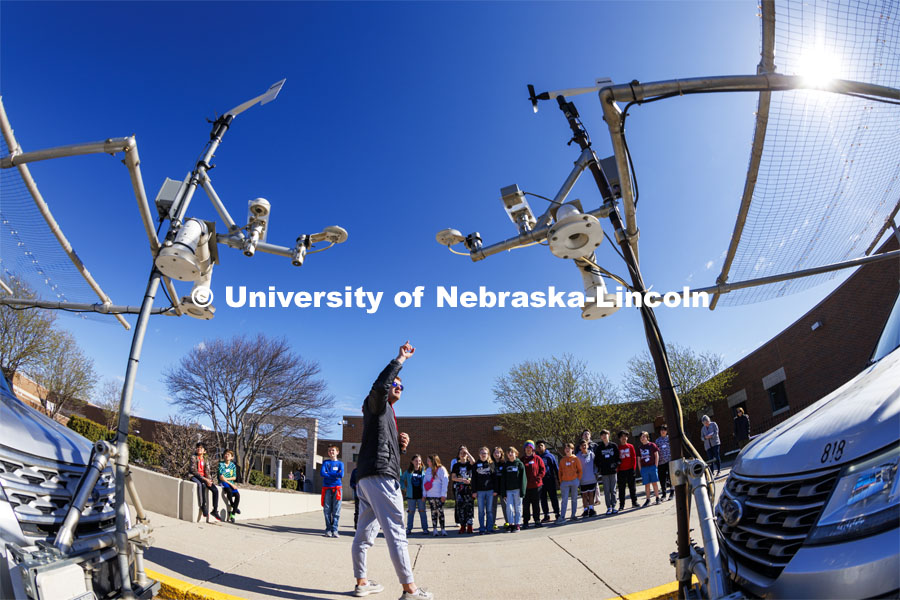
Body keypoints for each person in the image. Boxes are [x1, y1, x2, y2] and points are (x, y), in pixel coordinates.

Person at [351, 342, 432, 599]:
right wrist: (400, 359)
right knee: (397, 530)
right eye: (396, 384)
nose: (399, 387)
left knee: (364, 533)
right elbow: (380, 386)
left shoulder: (385, 414)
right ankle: (410, 590)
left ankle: (362, 582)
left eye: (402, 386)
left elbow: (382, 448)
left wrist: (400, 447)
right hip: (380, 478)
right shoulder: (376, 403)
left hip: (367, 478)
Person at [189, 442, 220, 524]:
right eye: (198, 447)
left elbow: (208, 471)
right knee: (201, 485)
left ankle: (215, 510)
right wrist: (205, 479)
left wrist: (209, 480)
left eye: (201, 448)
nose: (199, 449)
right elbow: (193, 471)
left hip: (204, 478)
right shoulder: (193, 457)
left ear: (204, 451)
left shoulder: (205, 460)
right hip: (194, 476)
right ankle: (203, 506)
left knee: (215, 490)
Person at [400, 455, 429, 535]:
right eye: (416, 461)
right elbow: (401, 480)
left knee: (422, 512)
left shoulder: (424, 471)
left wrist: (426, 493)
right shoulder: (408, 472)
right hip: (411, 496)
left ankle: (425, 529)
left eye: (419, 461)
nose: (418, 462)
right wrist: (404, 488)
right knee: (411, 512)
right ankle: (409, 529)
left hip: (421, 496)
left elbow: (428, 482)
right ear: (412, 462)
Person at [520, 441, 545, 528]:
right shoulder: (522, 460)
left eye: (530, 448)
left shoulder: (537, 458)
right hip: (525, 487)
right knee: (526, 505)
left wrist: (538, 478)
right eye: (526, 448)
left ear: (532, 449)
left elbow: (542, 470)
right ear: (524, 449)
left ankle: (537, 520)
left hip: (536, 486)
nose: (528, 449)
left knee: (536, 504)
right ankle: (526, 521)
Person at [500, 447, 526, 532]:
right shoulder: (506, 465)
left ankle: (517, 524)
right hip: (508, 490)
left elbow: (523, 479)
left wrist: (522, 491)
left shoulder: (519, 464)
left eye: (512, 452)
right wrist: (503, 492)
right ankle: (511, 524)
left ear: (516, 453)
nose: (510, 454)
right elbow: (503, 479)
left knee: (518, 507)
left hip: (517, 490)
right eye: (508, 453)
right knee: (509, 508)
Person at [450, 446, 475, 534]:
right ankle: (462, 526)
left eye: (464, 453)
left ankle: (470, 526)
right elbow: (453, 477)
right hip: (460, 488)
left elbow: (473, 461)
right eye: (461, 453)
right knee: (460, 507)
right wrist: (462, 480)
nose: (463, 455)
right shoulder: (456, 465)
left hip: (469, 489)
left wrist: (467, 452)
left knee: (469, 507)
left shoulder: (469, 464)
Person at [472, 446, 496, 534]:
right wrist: (474, 491)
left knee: (489, 510)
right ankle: (482, 528)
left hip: (490, 490)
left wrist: (495, 490)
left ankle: (489, 528)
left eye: (485, 453)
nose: (483, 455)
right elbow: (473, 479)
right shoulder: (475, 465)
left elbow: (495, 478)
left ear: (488, 454)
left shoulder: (491, 464)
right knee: (481, 511)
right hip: (479, 491)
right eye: (481, 453)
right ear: (479, 454)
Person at [595, 430, 620, 515]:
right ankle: (608, 507)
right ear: (601, 437)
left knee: (613, 490)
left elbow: (618, 458)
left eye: (605, 434)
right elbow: (596, 460)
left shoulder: (613, 446)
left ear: (608, 435)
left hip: (613, 471)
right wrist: (601, 466)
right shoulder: (599, 448)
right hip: (604, 473)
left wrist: (615, 465)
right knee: (606, 490)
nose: (604, 436)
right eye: (602, 435)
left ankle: (614, 506)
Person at [321, 444, 344, 538]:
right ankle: (328, 529)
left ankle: (335, 530)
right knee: (327, 509)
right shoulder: (326, 463)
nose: (331, 452)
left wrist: (328, 474)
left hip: (337, 488)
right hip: (327, 488)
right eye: (329, 451)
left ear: (337, 452)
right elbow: (322, 473)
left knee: (336, 510)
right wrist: (335, 474)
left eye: (333, 450)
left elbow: (341, 475)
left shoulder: (340, 464)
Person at [423, 454, 449, 537]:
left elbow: (445, 482)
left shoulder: (441, 469)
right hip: (430, 495)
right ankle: (435, 529)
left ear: (433, 461)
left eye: (428, 460)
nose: (427, 462)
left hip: (439, 495)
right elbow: (425, 483)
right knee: (433, 512)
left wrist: (443, 494)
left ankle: (443, 529)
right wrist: (424, 494)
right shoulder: (427, 470)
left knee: (440, 512)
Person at [557, 443, 582, 523]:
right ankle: (562, 516)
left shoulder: (575, 459)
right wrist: (561, 481)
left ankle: (573, 515)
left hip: (574, 481)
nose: (567, 450)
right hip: (565, 482)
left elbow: (580, 470)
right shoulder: (562, 460)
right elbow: (560, 471)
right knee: (564, 500)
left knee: (574, 498)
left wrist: (578, 479)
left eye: (569, 448)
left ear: (572, 450)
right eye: (566, 448)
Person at [536, 441, 560, 523]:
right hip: (540, 482)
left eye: (541, 446)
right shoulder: (536, 457)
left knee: (553, 497)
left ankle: (557, 513)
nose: (540, 447)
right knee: (543, 499)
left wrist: (559, 479)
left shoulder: (550, 456)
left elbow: (556, 468)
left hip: (550, 479)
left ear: (545, 447)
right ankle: (546, 515)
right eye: (538, 446)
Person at [617, 431, 639, 510]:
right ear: (619, 438)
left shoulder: (631, 446)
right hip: (621, 471)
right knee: (621, 489)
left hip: (630, 470)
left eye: (625, 436)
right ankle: (621, 505)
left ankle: (634, 502)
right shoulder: (618, 448)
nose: (624, 438)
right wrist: (618, 470)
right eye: (622, 436)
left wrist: (633, 468)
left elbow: (634, 458)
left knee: (632, 487)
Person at [637, 432, 661, 506]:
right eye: (641, 437)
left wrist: (656, 465)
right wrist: (640, 469)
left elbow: (656, 455)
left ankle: (657, 497)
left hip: (652, 466)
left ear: (647, 437)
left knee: (654, 483)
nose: (642, 438)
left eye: (644, 436)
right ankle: (648, 499)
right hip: (644, 468)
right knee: (647, 484)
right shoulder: (640, 448)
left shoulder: (652, 445)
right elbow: (638, 460)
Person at [217, 449, 241, 523]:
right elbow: (221, 477)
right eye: (226, 454)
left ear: (232, 457)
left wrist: (227, 479)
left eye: (229, 455)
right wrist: (231, 484)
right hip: (223, 482)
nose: (227, 456)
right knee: (229, 491)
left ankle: (232, 514)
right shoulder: (221, 464)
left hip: (229, 481)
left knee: (237, 495)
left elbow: (234, 477)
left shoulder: (233, 465)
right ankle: (233, 506)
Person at [576, 440, 598, 517]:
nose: (584, 447)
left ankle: (591, 509)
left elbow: (595, 465)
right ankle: (586, 510)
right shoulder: (577, 456)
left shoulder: (592, 454)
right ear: (580, 447)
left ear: (588, 446)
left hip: (591, 478)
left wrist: (595, 473)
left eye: (585, 445)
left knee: (591, 494)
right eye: (582, 446)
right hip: (582, 479)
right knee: (584, 495)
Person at [490, 446, 509, 531]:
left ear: (501, 454)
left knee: (505, 505)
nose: (496, 454)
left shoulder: (504, 463)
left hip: (502, 489)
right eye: (495, 453)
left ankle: (507, 522)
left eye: (498, 452)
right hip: (493, 489)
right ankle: (492, 523)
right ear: (492, 454)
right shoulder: (490, 464)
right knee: (493, 507)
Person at [656, 425, 673, 500]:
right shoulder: (657, 441)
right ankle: (664, 494)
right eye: (661, 430)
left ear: (666, 431)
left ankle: (672, 493)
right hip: (661, 462)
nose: (663, 431)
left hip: (669, 461)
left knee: (671, 477)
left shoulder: (670, 439)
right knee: (662, 478)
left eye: (664, 430)